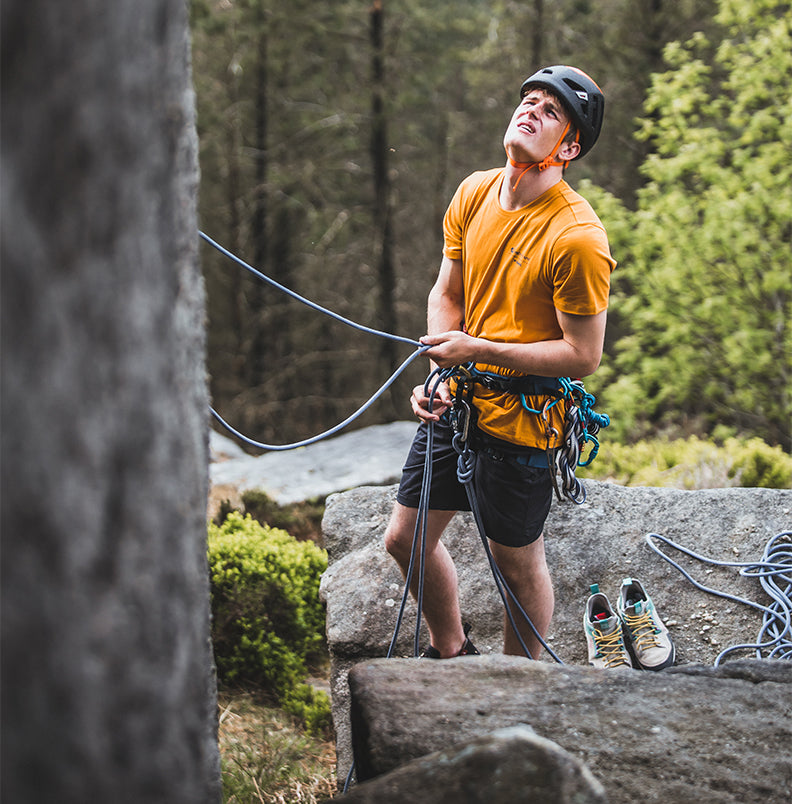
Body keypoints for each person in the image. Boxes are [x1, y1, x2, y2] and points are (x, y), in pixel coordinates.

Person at [384, 65, 616, 661]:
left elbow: (582, 355)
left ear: (568, 146)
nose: (531, 110)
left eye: (550, 110)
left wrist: (478, 351)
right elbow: (447, 294)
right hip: (459, 403)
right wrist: (441, 370)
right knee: (404, 539)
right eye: (528, 101)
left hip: (525, 422)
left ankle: (518, 687)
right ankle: (450, 650)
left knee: (516, 564)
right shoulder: (475, 191)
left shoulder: (577, 238)